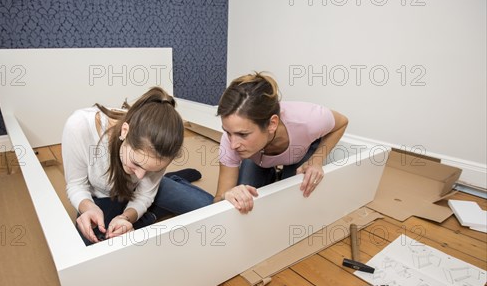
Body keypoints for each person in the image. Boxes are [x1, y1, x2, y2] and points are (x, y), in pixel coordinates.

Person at [62, 87, 213, 245]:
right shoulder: (79, 126)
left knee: (209, 208)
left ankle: (166, 184)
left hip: (136, 193)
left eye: (153, 170)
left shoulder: (160, 147)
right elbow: (76, 185)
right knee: (98, 241)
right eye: (136, 163)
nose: (140, 176)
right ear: (125, 131)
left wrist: (125, 217)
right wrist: (88, 208)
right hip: (102, 197)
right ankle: (155, 208)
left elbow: (143, 195)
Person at [213, 72, 348, 213]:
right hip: (258, 158)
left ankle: (281, 175)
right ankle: (271, 174)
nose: (233, 144)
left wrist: (317, 160)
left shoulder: (308, 119)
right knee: (241, 204)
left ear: (272, 124)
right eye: (228, 132)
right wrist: (226, 196)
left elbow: (342, 123)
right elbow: (218, 200)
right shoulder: (230, 142)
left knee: (293, 201)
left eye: (243, 134)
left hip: (298, 153)